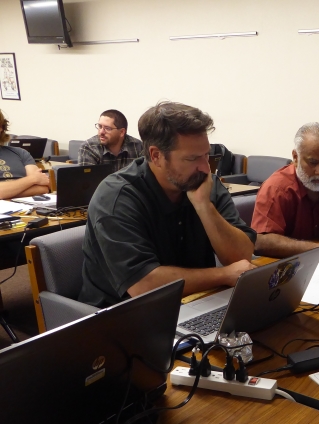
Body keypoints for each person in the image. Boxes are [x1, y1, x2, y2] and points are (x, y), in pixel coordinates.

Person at [79, 102, 256, 308]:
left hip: (194, 303)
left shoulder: (203, 182)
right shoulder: (116, 196)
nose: (205, 167)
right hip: (120, 316)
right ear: (156, 156)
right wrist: (223, 275)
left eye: (207, 155)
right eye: (192, 158)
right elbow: (143, 284)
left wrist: (204, 207)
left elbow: (241, 256)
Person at [252, 122, 319, 264]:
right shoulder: (277, 188)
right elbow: (261, 242)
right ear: (295, 157)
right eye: (312, 162)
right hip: (289, 269)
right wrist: (316, 250)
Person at [0, 108, 50, 199]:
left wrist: (6, 192)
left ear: (1, 128)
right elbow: (37, 180)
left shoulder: (20, 153)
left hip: (27, 209)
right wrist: (32, 179)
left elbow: (43, 188)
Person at [78, 109, 143, 170]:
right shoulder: (89, 147)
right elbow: (87, 180)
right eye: (100, 126)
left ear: (122, 132)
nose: (101, 132)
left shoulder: (138, 147)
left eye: (107, 128)